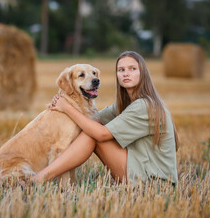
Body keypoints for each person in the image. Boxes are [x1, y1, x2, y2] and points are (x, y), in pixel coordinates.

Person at [33, 51, 179, 185]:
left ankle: (39, 178)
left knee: (94, 135)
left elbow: (101, 134)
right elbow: (93, 119)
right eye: (121, 70)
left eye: (132, 69)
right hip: (142, 169)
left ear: (143, 73)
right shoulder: (128, 104)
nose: (126, 73)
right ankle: (49, 175)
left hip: (153, 182)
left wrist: (66, 107)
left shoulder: (144, 106)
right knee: (91, 128)